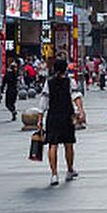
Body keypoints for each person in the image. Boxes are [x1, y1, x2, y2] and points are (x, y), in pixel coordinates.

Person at [40, 57, 80, 187]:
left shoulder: (49, 83)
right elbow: (76, 96)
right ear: (65, 69)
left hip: (52, 117)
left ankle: (54, 174)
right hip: (67, 115)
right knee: (69, 144)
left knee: (53, 145)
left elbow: (43, 102)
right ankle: (69, 170)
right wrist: (81, 110)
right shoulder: (70, 82)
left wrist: (40, 119)